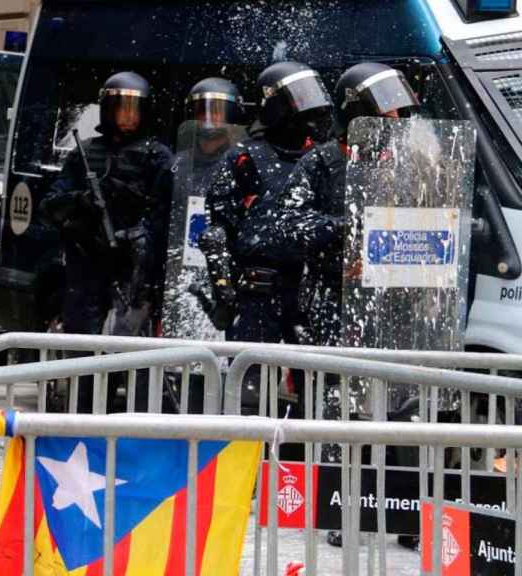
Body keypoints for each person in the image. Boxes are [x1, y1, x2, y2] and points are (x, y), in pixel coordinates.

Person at [239, 61, 420, 549]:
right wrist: (341, 231)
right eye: (389, 111)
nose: (399, 122)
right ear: (359, 111)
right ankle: (346, 505)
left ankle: (407, 512)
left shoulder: (410, 162)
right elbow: (284, 225)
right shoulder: (320, 163)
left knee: (404, 408)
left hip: (397, 303)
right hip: (333, 303)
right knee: (341, 409)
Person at [40, 71, 173, 411]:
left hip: (133, 271)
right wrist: (80, 201)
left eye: (135, 109)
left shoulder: (157, 156)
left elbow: (167, 211)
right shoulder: (85, 154)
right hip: (88, 266)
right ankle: (82, 419)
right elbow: (50, 206)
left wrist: (141, 233)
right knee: (84, 355)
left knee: (129, 359)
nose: (128, 116)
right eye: (121, 108)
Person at [205, 61, 333, 347]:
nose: (309, 111)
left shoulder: (324, 158)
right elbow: (218, 229)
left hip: (309, 290)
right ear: (275, 105)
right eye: (301, 99)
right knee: (250, 379)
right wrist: (223, 287)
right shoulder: (244, 156)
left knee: (315, 381)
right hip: (256, 292)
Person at [162, 77, 245, 340]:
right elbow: (160, 214)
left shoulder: (241, 162)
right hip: (181, 266)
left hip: (225, 271)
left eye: (218, 113)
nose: (210, 121)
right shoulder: (177, 165)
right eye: (203, 112)